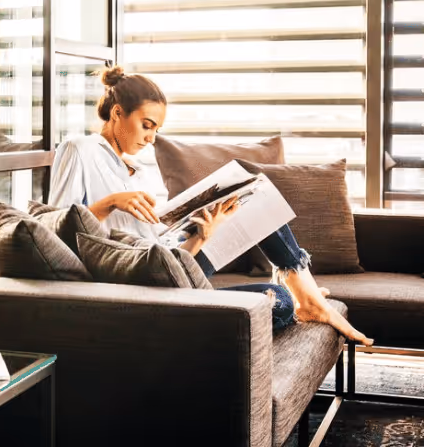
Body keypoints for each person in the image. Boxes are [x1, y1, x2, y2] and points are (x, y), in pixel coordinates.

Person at [50, 65, 373, 345]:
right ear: (118, 112)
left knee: (252, 197)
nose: (151, 138)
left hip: (169, 263)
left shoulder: (140, 169)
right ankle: (304, 300)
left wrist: (202, 233)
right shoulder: (80, 149)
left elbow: (162, 247)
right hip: (138, 278)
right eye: (146, 125)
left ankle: (308, 297)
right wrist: (109, 204)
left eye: (157, 130)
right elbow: (54, 228)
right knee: (280, 304)